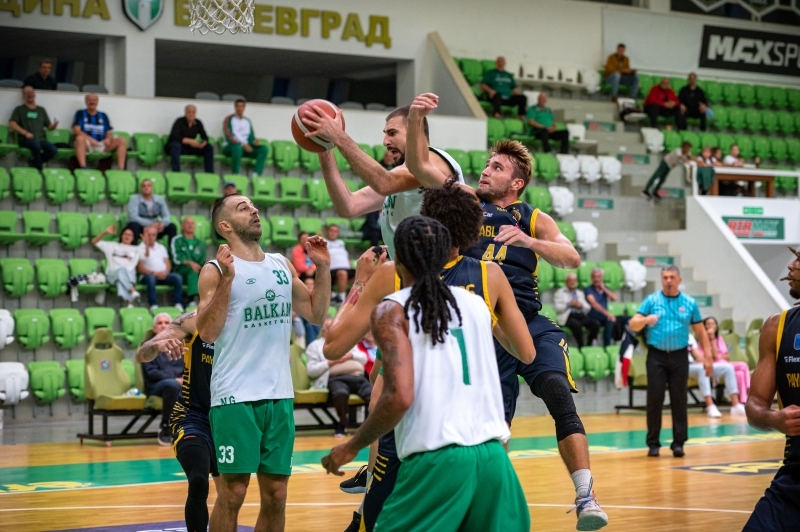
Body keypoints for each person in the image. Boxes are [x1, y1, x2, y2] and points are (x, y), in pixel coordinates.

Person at [405, 95, 606, 529]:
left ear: (516, 183)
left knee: (557, 393)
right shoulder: (465, 202)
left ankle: (586, 496)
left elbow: (571, 258)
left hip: (528, 322)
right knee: (494, 428)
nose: (485, 170)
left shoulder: (532, 218)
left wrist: (530, 242)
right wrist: (417, 118)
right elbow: (420, 166)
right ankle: (484, 509)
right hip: (482, 330)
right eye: (486, 164)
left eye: (496, 167)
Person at [323, 181, 534, 532]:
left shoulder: (393, 301)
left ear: (401, 259)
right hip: (494, 456)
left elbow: (343, 354)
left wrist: (360, 281)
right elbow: (525, 352)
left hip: (435, 453)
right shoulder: (478, 301)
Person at [196, 193, 331, 532]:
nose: (254, 210)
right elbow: (207, 333)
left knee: (276, 493)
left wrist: (323, 268)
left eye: (253, 205)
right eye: (243, 208)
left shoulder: (280, 264)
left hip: (279, 395)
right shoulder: (215, 270)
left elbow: (316, 313)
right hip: (235, 397)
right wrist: (228, 280)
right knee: (233, 492)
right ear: (225, 226)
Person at [301, 93, 465, 259]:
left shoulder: (433, 160)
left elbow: (385, 183)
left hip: (440, 269)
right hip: (409, 269)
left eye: (392, 133)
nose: (385, 141)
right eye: (385, 134)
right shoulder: (401, 176)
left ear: (414, 131)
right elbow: (348, 206)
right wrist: (324, 147)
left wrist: (338, 136)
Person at [138, 310, 218, 532]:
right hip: (192, 415)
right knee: (199, 480)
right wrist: (156, 346)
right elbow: (143, 353)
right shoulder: (193, 319)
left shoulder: (243, 320)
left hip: (228, 415)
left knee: (231, 492)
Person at [743, 246, 800, 532]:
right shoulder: (776, 326)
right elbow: (754, 404)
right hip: (794, 478)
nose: (791, 266)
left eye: (799, 259)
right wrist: (774, 419)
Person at [629, 265, 712, 458]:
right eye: (665, 277)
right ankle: (653, 443)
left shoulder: (689, 303)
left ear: (679, 280)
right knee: (655, 399)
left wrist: (708, 358)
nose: (668, 281)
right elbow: (633, 324)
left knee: (679, 399)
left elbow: (701, 332)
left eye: (672, 277)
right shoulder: (651, 300)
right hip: (656, 355)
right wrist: (645, 320)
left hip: (679, 355)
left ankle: (678, 443)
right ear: (661, 279)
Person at [307, 321, 372, 437]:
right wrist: (330, 362)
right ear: (323, 331)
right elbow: (311, 371)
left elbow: (364, 358)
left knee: (372, 394)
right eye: (330, 328)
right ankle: (342, 423)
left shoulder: (347, 342)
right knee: (340, 393)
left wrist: (351, 355)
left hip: (357, 377)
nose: (334, 330)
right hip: (336, 378)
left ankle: (371, 426)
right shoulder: (314, 346)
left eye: (336, 327)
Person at [140, 312, 184, 446]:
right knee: (172, 385)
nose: (163, 325)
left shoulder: (179, 345)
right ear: (154, 328)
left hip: (178, 383)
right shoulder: (148, 347)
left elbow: (186, 367)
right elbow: (151, 372)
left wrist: (184, 378)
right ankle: (165, 426)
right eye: (159, 323)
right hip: (156, 385)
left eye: (166, 323)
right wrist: (175, 379)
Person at [687, 331, 746, 418]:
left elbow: (698, 356)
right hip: (682, 366)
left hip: (693, 364)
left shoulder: (689, 337)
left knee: (728, 367)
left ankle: (735, 405)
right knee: (703, 369)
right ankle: (710, 406)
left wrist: (705, 362)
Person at [8, 86, 58, 170]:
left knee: (53, 149)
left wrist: (53, 126)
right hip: (25, 140)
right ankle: (39, 169)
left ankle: (34, 162)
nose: (29, 95)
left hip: (41, 140)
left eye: (31, 92)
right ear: (23, 95)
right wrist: (25, 133)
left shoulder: (41, 110)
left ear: (34, 94)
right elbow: (11, 124)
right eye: (27, 93)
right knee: (36, 145)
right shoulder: (19, 109)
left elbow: (49, 126)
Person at [72, 93, 127, 170]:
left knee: (122, 140)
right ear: (86, 102)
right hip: (86, 143)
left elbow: (109, 132)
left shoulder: (103, 115)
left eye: (94, 100)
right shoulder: (80, 113)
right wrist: (90, 140)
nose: (92, 102)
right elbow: (76, 130)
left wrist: (108, 138)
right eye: (89, 100)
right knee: (79, 138)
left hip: (101, 144)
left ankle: (121, 170)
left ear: (97, 102)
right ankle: (83, 168)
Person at [91, 225, 141, 307]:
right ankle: (132, 291)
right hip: (112, 275)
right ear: (121, 235)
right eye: (125, 234)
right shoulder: (112, 245)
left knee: (120, 280)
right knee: (121, 269)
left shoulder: (137, 249)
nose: (127, 236)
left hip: (129, 276)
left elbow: (148, 254)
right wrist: (105, 232)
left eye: (130, 235)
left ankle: (130, 304)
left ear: (133, 238)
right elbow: (94, 241)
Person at [137, 225, 184, 313]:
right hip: (148, 275)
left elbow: (168, 263)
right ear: (144, 235)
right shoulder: (139, 248)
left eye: (153, 235)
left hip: (163, 274)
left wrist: (165, 272)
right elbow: (139, 268)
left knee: (177, 277)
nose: (151, 237)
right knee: (151, 279)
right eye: (149, 235)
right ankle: (153, 305)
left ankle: (177, 303)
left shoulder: (161, 247)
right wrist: (153, 273)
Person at [704, 316, 750, 403]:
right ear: (704, 326)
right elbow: (715, 356)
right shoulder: (703, 340)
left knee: (739, 374)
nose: (711, 326)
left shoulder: (720, 338)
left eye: (713, 324)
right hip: (715, 366)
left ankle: (743, 400)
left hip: (724, 363)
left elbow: (727, 356)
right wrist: (712, 338)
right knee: (743, 365)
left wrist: (719, 356)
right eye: (708, 324)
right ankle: (750, 391)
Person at [222, 99, 268, 177]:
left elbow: (251, 137)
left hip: (246, 148)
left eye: (241, 106)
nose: (240, 108)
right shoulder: (229, 119)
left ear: (244, 108)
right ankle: (236, 173)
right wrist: (242, 144)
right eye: (238, 106)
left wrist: (254, 141)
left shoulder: (247, 121)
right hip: (231, 147)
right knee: (237, 148)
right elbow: (228, 136)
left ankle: (256, 174)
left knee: (264, 149)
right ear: (235, 107)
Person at [554, 273, 600, 350]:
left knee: (595, 324)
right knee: (576, 325)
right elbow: (557, 308)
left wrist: (580, 305)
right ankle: (581, 346)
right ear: (566, 282)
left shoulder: (580, 293)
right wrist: (569, 304)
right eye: (570, 280)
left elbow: (588, 307)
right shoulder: (560, 292)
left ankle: (589, 345)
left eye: (574, 280)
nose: (572, 282)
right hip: (568, 316)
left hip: (580, 314)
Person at [167, 105, 214, 173]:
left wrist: (202, 144)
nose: (191, 114)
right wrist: (189, 141)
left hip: (191, 147)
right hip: (180, 146)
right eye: (189, 112)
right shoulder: (179, 121)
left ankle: (209, 173)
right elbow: (174, 136)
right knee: (175, 145)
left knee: (208, 147)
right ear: (185, 113)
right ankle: (176, 172)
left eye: (193, 112)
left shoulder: (198, 123)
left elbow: (205, 137)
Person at [171, 217, 206, 306]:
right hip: (180, 269)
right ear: (182, 226)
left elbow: (202, 260)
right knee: (192, 270)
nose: (190, 225)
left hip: (197, 269)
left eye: (192, 223)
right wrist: (190, 263)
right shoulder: (177, 240)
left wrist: (200, 267)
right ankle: (191, 300)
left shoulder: (200, 243)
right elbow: (176, 259)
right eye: (187, 223)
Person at [584, 268, 618, 347]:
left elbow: (614, 298)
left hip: (603, 316)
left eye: (598, 277)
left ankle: (607, 345)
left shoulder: (605, 288)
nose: (596, 279)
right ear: (591, 278)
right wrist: (608, 314)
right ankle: (592, 343)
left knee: (612, 320)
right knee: (603, 321)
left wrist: (604, 288)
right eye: (594, 277)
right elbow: (594, 304)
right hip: (592, 315)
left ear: (602, 278)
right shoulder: (588, 289)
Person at [326, 224, 353, 304]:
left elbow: (345, 255)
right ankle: (342, 300)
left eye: (335, 231)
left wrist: (350, 265)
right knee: (342, 273)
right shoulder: (324, 242)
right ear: (327, 231)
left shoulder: (341, 243)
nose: (333, 233)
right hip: (332, 270)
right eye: (331, 231)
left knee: (363, 275)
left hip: (346, 268)